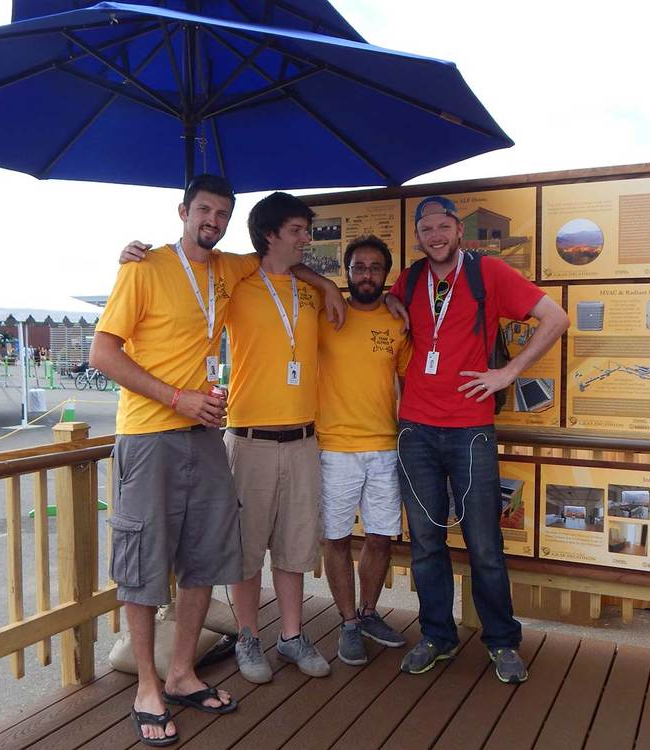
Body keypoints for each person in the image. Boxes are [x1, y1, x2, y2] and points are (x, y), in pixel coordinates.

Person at [99, 177, 344, 746]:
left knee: (205, 559)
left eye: (222, 213)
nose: (213, 219)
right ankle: (148, 688)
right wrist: (176, 397)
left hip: (205, 435)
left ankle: (182, 673)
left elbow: (282, 258)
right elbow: (102, 353)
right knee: (143, 562)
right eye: (204, 210)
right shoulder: (144, 267)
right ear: (183, 211)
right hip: (149, 432)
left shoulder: (228, 269)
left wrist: (324, 280)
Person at [388, 196, 569, 683]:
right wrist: (391, 302)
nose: (435, 236)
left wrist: (508, 372)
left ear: (458, 231)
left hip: (470, 430)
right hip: (415, 430)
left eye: (443, 226)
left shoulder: (486, 272)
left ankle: (503, 641)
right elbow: (389, 301)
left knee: (484, 543)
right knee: (426, 542)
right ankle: (436, 636)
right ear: (419, 236)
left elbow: (556, 318)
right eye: (426, 229)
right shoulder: (409, 279)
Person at [222, 192, 331, 684]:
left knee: (293, 547)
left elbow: (338, 312)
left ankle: (291, 636)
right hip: (249, 439)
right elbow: (191, 276)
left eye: (306, 230)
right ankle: (248, 636)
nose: (305, 238)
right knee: (245, 550)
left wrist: (321, 278)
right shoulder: (237, 282)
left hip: (304, 439)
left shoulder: (310, 288)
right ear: (270, 234)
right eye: (297, 230)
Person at [318, 235, 412, 666]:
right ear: (347, 272)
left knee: (380, 535)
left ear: (386, 275)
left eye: (375, 268)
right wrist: (323, 287)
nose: (367, 275)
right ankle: (348, 623)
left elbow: (410, 382)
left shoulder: (398, 322)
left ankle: (369, 612)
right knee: (336, 538)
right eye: (359, 267)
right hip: (333, 447)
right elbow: (296, 271)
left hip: (384, 446)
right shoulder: (324, 312)